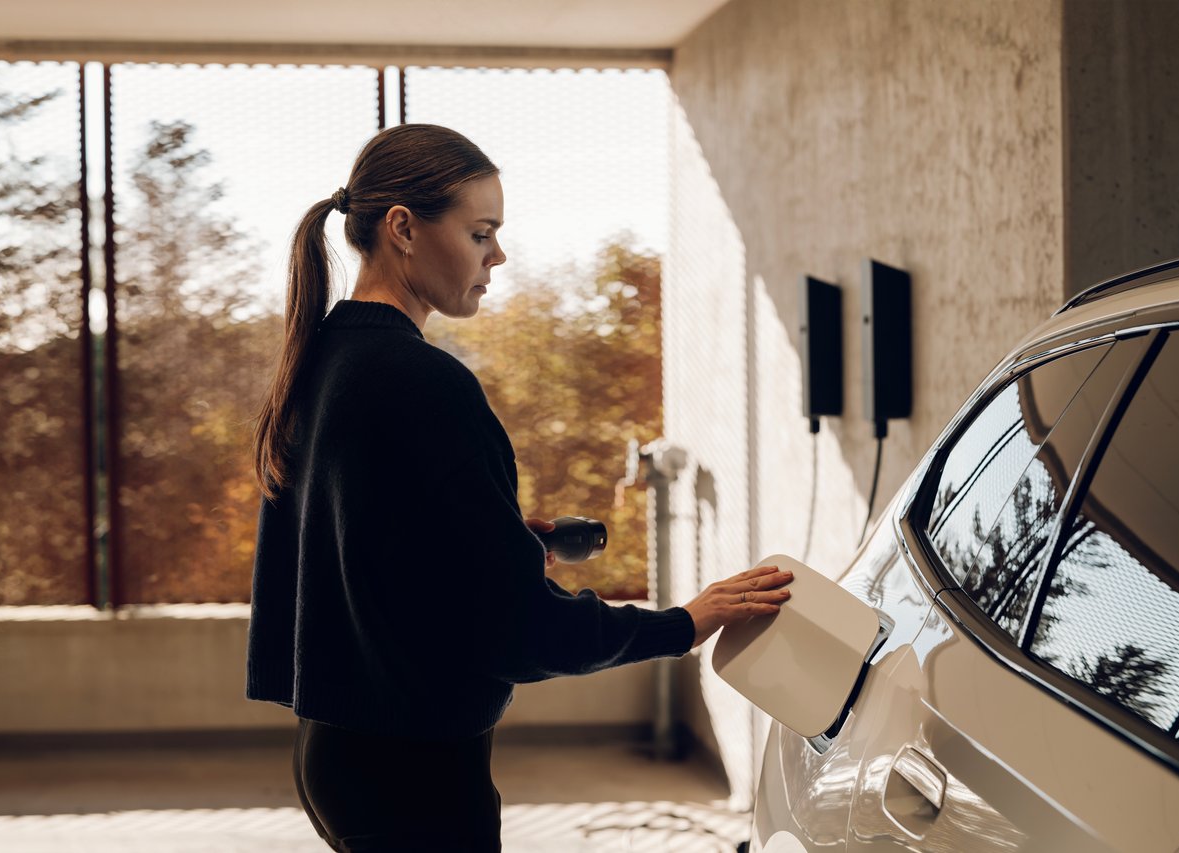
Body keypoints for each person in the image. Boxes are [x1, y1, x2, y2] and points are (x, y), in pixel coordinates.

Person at [246, 123, 793, 852]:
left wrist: (499, 546)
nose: (497, 255)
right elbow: (518, 627)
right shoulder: (425, 383)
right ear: (403, 229)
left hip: (337, 755)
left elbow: (365, 554)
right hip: (417, 779)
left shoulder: (323, 359)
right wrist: (684, 621)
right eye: (480, 232)